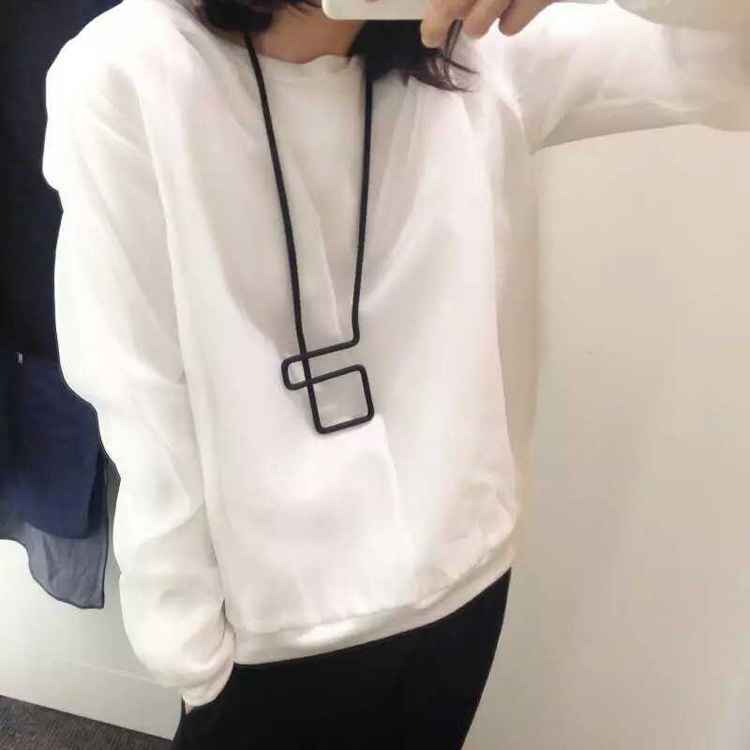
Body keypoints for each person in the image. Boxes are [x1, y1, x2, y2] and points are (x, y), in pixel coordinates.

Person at [41, 0, 748, 747]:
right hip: (267, 643)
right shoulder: (128, 73)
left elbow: (728, 65)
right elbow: (138, 389)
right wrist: (191, 655)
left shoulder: (482, 59)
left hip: (462, 591)